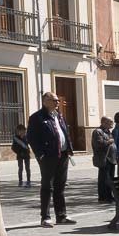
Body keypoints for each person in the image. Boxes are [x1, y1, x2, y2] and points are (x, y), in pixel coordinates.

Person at [26, 92, 76, 228]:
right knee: (47, 186)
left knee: (60, 186)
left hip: (63, 155)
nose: (57, 103)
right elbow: (31, 137)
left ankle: (61, 215)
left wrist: (69, 149)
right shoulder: (37, 117)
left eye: (58, 100)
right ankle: (45, 217)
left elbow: (65, 133)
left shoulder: (59, 116)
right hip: (48, 157)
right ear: (45, 101)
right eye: (54, 100)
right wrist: (40, 154)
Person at [91, 117, 116, 203]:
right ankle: (103, 197)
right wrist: (109, 142)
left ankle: (109, 195)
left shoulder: (108, 131)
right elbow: (98, 144)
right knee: (104, 179)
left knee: (110, 179)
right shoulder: (98, 132)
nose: (112, 123)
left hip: (111, 158)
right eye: (110, 122)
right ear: (104, 122)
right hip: (104, 158)